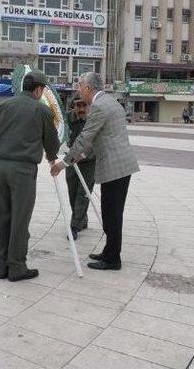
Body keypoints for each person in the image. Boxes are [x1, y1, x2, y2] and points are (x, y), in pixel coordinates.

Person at [51, 72, 139, 271]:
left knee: (112, 215)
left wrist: (63, 163)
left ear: (89, 88)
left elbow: (84, 138)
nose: (78, 89)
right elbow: (103, 136)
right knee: (111, 213)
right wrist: (82, 155)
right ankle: (109, 252)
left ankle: (112, 259)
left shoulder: (98, 107)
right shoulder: (111, 102)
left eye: (80, 85)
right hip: (122, 165)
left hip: (115, 167)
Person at [0, 70, 60, 282]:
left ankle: (1, 266)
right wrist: (53, 159)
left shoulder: (2, 106)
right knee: (19, 220)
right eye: (43, 89)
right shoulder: (42, 111)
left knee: (2, 217)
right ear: (38, 89)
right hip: (23, 171)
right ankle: (16, 266)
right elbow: (52, 143)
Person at [64, 94, 96, 240]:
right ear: (73, 106)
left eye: (84, 105)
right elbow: (60, 135)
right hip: (71, 161)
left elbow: (96, 144)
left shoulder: (94, 120)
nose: (82, 109)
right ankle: (81, 220)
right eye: (78, 105)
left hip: (89, 162)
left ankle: (74, 226)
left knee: (83, 194)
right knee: (72, 193)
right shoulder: (67, 119)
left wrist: (83, 156)